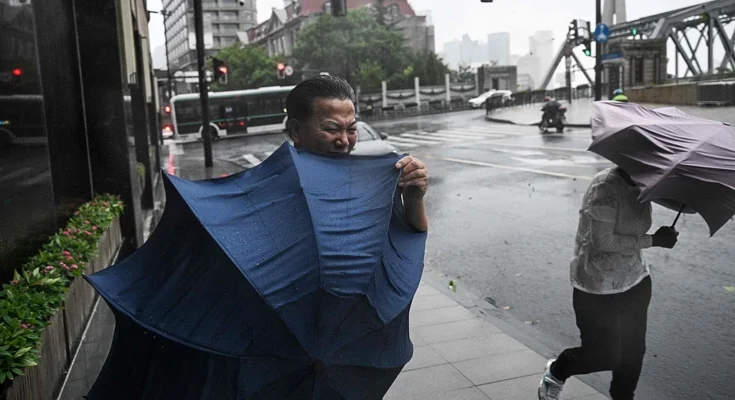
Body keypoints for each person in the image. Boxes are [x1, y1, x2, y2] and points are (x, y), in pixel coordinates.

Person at [538, 167, 679, 400]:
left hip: (636, 281)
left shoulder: (646, 182)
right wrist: (654, 240)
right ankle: (558, 371)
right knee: (605, 355)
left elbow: (681, 205)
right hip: (597, 285)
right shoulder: (605, 187)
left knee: (633, 354)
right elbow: (603, 240)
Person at [286, 75, 429, 232]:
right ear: (296, 131)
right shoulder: (275, 191)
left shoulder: (370, 182)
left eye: (352, 129)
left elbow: (408, 237)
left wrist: (413, 200)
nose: (345, 141)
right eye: (332, 129)